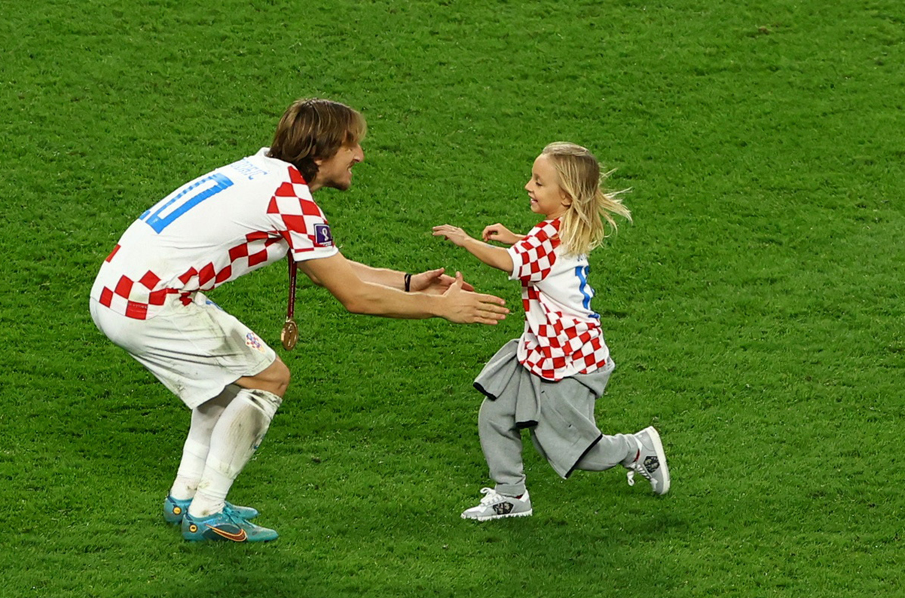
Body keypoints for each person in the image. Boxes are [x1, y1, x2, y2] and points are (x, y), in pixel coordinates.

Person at [89, 98, 509, 542]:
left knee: (229, 385)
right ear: (320, 154)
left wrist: (409, 284)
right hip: (151, 303)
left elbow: (331, 266)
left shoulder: (266, 170)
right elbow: (352, 295)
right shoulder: (289, 198)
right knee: (269, 379)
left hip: (119, 291)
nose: (361, 156)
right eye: (352, 147)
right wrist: (440, 308)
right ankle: (207, 511)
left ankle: (186, 497)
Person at [432, 142, 669, 522]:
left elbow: (513, 263)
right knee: (494, 414)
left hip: (570, 360)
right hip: (544, 351)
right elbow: (536, 254)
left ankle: (635, 449)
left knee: (572, 449)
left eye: (539, 182)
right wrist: (515, 237)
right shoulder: (560, 229)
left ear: (566, 195)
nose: (529, 185)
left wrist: (467, 241)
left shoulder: (551, 238)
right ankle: (510, 494)